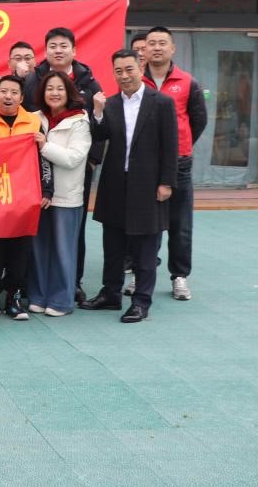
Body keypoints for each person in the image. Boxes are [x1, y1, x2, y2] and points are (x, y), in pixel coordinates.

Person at [80, 50, 178, 323]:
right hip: (115, 183)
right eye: (118, 71)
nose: (124, 76)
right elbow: (99, 135)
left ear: (140, 68)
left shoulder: (161, 102)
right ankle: (110, 294)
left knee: (145, 248)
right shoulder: (110, 103)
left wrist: (166, 182)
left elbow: (171, 146)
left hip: (148, 184)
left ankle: (141, 302)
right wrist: (97, 112)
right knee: (113, 244)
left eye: (129, 69)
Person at [23, 27, 104, 304]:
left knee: (69, 239)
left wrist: (92, 159)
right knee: (39, 241)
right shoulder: (33, 80)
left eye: (63, 46)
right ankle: (37, 292)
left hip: (72, 179)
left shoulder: (88, 82)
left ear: (74, 50)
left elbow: (98, 126)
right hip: (37, 185)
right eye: (53, 46)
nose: (58, 50)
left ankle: (70, 288)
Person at [0, 74, 51, 321]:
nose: (8, 96)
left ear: (21, 97)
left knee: (20, 250)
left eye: (14, 92)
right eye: (3, 91)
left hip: (23, 196)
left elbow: (43, 157)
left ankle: (14, 297)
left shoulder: (33, 122)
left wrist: (47, 189)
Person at [142, 26, 207, 302]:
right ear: (144, 49)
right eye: (152, 43)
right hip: (145, 162)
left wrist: (180, 144)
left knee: (180, 223)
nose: (157, 48)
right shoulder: (136, 80)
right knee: (145, 221)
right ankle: (141, 273)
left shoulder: (188, 82)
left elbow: (198, 120)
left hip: (179, 162)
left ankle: (179, 276)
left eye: (162, 43)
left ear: (172, 48)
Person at [28, 71, 92, 317]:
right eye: (49, 88)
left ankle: (61, 301)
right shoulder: (35, 118)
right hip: (37, 196)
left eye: (60, 88)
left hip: (67, 197)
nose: (54, 93)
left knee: (63, 251)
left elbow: (74, 158)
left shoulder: (79, 121)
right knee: (39, 249)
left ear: (69, 92)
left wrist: (45, 146)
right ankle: (37, 296)